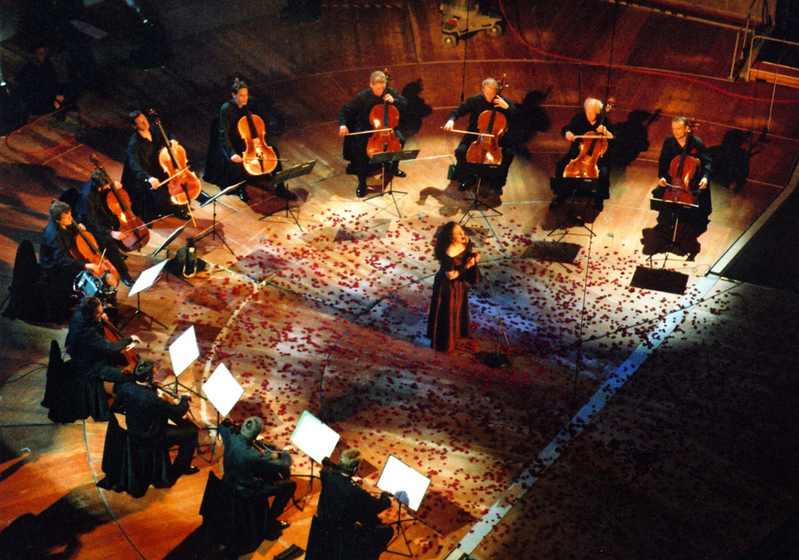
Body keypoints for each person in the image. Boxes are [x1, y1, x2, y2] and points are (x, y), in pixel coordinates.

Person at [112, 360, 200, 483]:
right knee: (192, 433)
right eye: (153, 373)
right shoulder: (152, 399)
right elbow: (178, 411)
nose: (156, 374)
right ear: (147, 378)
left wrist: (151, 387)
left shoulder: (126, 387)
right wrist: (185, 399)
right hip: (152, 435)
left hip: (133, 429)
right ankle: (182, 467)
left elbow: (117, 406)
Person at [219, 79, 296, 203]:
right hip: (237, 142)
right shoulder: (227, 109)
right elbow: (223, 134)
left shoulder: (251, 102)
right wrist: (232, 153)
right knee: (238, 163)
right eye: (241, 95)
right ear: (234, 95)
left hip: (255, 140)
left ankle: (280, 187)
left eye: (246, 95)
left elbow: (261, 118)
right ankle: (241, 189)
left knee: (274, 152)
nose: (245, 98)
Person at [39, 201, 116, 320]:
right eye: (67, 217)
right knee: (89, 279)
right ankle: (88, 308)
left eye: (70, 215)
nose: (71, 219)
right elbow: (61, 259)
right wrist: (85, 265)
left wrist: (77, 228)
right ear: (57, 220)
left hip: (66, 261)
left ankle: (96, 305)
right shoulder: (53, 235)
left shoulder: (64, 225)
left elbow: (70, 233)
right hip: (54, 269)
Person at [218, 417, 296, 533]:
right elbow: (283, 465)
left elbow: (222, 426)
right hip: (246, 490)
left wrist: (253, 440)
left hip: (228, 480)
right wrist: (285, 452)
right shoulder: (252, 455)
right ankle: (270, 521)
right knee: (289, 485)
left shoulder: (231, 436)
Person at [339, 70, 408, 198]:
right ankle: (362, 183)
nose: (381, 91)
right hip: (367, 127)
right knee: (360, 149)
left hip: (387, 128)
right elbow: (345, 110)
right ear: (371, 85)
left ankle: (393, 167)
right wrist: (343, 124)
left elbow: (405, 103)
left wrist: (395, 100)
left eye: (383, 87)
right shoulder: (363, 96)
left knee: (401, 140)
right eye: (378, 88)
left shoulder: (389, 91)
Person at [315, 449, 394, 560]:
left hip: (323, 522)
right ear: (355, 469)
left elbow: (335, 474)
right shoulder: (356, 492)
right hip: (342, 534)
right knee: (386, 530)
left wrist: (349, 477)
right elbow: (378, 506)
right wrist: (385, 495)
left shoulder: (326, 475)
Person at [443, 77, 516, 195]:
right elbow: (459, 110)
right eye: (487, 93)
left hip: (496, 137)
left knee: (508, 154)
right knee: (461, 152)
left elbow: (518, 117)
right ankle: (468, 178)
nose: (490, 97)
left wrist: (508, 108)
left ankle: (497, 183)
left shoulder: (503, 102)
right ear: (483, 90)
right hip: (476, 134)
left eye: (492, 94)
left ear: (496, 91)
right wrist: (451, 120)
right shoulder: (475, 100)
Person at [122, 110, 191, 223]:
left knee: (181, 185)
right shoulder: (134, 144)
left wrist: (173, 140)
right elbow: (134, 165)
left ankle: (178, 208)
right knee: (162, 195)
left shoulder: (154, 129)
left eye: (145, 119)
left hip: (162, 168)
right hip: (149, 173)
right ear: (134, 126)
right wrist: (149, 178)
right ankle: (167, 209)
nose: (145, 123)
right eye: (140, 122)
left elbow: (169, 134)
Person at [549, 98, 614, 211]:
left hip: (597, 157)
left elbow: (613, 137)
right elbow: (566, 129)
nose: (588, 115)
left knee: (603, 174)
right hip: (578, 153)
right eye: (587, 112)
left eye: (591, 113)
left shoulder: (605, 121)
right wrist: (567, 133)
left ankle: (598, 199)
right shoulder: (580, 118)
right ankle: (562, 194)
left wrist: (605, 132)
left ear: (598, 112)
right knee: (561, 165)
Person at [427, 222, 480, 352]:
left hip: (459, 283)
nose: (462, 234)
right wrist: (467, 266)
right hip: (447, 286)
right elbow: (450, 276)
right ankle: (445, 341)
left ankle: (456, 334)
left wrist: (475, 257)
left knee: (458, 307)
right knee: (447, 311)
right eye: (458, 233)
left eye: (462, 231)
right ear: (451, 238)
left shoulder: (465, 241)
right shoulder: (449, 252)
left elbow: (470, 253)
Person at [652, 116, 712, 232]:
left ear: (687, 129)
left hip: (692, 179)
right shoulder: (669, 141)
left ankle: (695, 221)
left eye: (679, 129)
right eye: (673, 129)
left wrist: (705, 177)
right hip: (674, 178)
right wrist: (662, 177)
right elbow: (663, 161)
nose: (675, 132)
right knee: (659, 192)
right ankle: (664, 220)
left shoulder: (696, 143)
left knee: (700, 196)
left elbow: (707, 162)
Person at [75, 171, 135, 286]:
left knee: (115, 222)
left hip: (98, 217)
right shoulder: (87, 198)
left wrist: (114, 186)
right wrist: (111, 233)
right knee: (108, 241)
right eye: (107, 185)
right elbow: (92, 224)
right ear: (98, 186)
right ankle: (124, 274)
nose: (108, 187)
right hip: (89, 225)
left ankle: (118, 252)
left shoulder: (99, 182)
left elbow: (106, 190)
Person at [14, 45, 70, 117]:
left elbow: (53, 81)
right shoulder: (29, 70)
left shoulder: (47, 64)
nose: (41, 56)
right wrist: (53, 97)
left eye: (42, 53)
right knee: (56, 106)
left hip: (49, 93)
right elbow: (35, 90)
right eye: (39, 53)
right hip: (37, 99)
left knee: (68, 90)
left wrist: (56, 94)